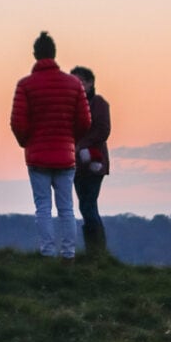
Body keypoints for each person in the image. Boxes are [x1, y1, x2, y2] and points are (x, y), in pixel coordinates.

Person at [10, 32, 91, 259]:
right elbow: (85, 121)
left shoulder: (25, 85)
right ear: (54, 54)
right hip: (65, 156)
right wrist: (70, 140)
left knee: (43, 207)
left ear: (35, 55)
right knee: (67, 208)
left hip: (38, 156)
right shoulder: (73, 84)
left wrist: (27, 142)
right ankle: (68, 254)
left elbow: (18, 122)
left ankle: (47, 252)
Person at [70, 65, 111, 254]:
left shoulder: (99, 103)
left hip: (95, 163)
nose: (78, 86)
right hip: (77, 164)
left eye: (81, 82)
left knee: (89, 205)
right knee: (85, 205)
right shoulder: (71, 105)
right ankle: (94, 251)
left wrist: (82, 145)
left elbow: (103, 130)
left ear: (90, 83)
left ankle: (97, 250)